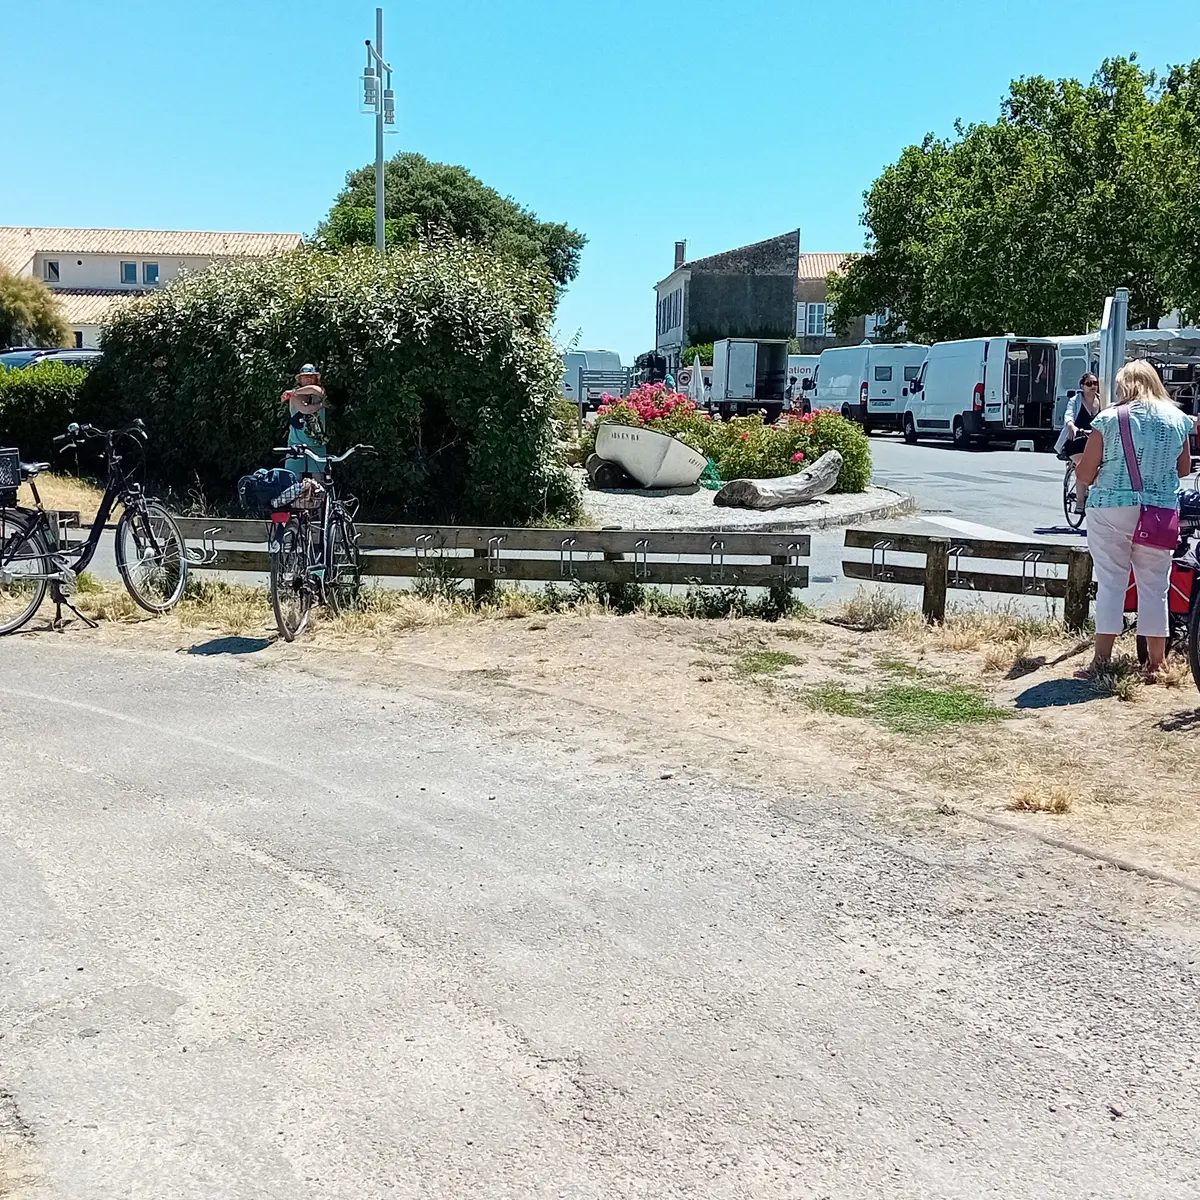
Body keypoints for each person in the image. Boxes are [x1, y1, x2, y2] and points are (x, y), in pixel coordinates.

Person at [1075, 361, 1193, 678]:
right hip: (1160, 511)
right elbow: (1183, 469)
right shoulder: (1178, 420)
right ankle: (1156, 664)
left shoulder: (1109, 419)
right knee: (1155, 587)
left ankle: (1101, 661)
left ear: (1123, 386)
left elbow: (1085, 473)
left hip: (1111, 507)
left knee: (1112, 584)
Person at [1054, 373, 1101, 511]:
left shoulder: (1102, 400)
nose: (1093, 386)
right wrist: (1071, 426)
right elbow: (1068, 415)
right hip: (1076, 441)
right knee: (1083, 466)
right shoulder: (1075, 400)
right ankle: (1080, 502)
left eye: (1095, 383)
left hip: (1094, 441)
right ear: (1082, 386)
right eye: (1089, 384)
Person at [281, 363, 328, 479]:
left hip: (317, 442)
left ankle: (318, 497)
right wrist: (321, 405)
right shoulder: (296, 396)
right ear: (300, 379)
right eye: (305, 376)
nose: (308, 379)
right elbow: (304, 409)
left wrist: (292, 392)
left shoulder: (319, 391)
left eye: (311, 376)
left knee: (319, 479)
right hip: (296, 442)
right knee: (293, 478)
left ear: (316, 378)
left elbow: (314, 389)